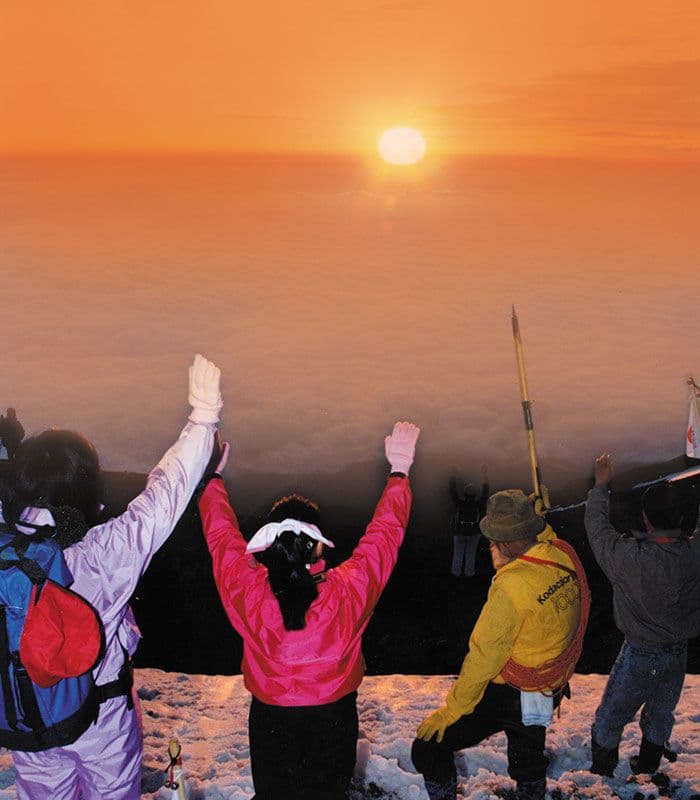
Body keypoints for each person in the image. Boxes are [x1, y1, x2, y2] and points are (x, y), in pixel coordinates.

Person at [0, 354, 222, 799]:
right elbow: (165, 494)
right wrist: (203, 418)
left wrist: (9, 454)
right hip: (102, 715)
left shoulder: (6, 545)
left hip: (29, 720)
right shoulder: (104, 552)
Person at [197, 421, 420, 799]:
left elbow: (222, 539)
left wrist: (211, 481)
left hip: (271, 720)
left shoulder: (249, 590)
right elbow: (383, 537)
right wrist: (398, 472)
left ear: (271, 545)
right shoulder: (347, 590)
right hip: (333, 719)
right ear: (318, 547)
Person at [413, 488, 588, 800]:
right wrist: (536, 521)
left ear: (505, 543)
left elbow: (484, 658)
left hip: (513, 695)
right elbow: (545, 540)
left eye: (493, 539)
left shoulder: (510, 586)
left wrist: (451, 712)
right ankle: (531, 790)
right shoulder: (562, 554)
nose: (490, 545)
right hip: (550, 687)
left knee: (427, 748)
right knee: (528, 750)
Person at [585, 453, 700, 777]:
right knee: (661, 714)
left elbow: (597, 528)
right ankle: (647, 767)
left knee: (611, 717)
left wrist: (600, 487)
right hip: (678, 652)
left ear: (646, 520)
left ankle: (601, 774)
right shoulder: (694, 553)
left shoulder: (629, 559)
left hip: (640, 655)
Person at [449, 467, 489, 577]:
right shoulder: (478, 504)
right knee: (471, 554)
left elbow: (452, 491)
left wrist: (453, 474)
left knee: (458, 554)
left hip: (460, 531)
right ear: (475, 494)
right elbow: (485, 493)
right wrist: (485, 475)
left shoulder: (459, 503)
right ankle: (469, 573)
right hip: (474, 532)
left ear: (465, 493)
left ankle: (456, 573)